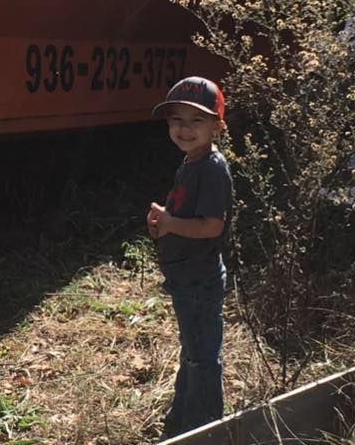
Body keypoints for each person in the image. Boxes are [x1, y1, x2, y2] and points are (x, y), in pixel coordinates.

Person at [147, 76, 233, 438]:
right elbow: (188, 213)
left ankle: (205, 429)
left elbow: (212, 226)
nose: (184, 128)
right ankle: (183, 417)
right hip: (186, 276)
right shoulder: (192, 161)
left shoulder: (212, 168)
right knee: (193, 350)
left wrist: (170, 223)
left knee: (202, 358)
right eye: (176, 119)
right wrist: (164, 221)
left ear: (217, 126)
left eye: (196, 120)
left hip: (199, 279)